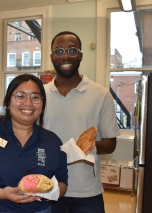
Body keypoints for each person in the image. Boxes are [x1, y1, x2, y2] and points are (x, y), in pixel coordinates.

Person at [0, 74, 68, 213]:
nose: (28, 102)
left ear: (43, 103)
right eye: (20, 96)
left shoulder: (52, 141)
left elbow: (62, 182)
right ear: (8, 101)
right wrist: (2, 194)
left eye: (35, 97)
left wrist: (49, 194)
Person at [43, 31, 120, 213]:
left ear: (81, 55)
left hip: (87, 192)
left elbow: (110, 144)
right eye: (59, 51)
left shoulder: (101, 95)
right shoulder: (40, 94)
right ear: (52, 56)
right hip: (49, 187)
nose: (66, 55)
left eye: (72, 50)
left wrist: (83, 149)